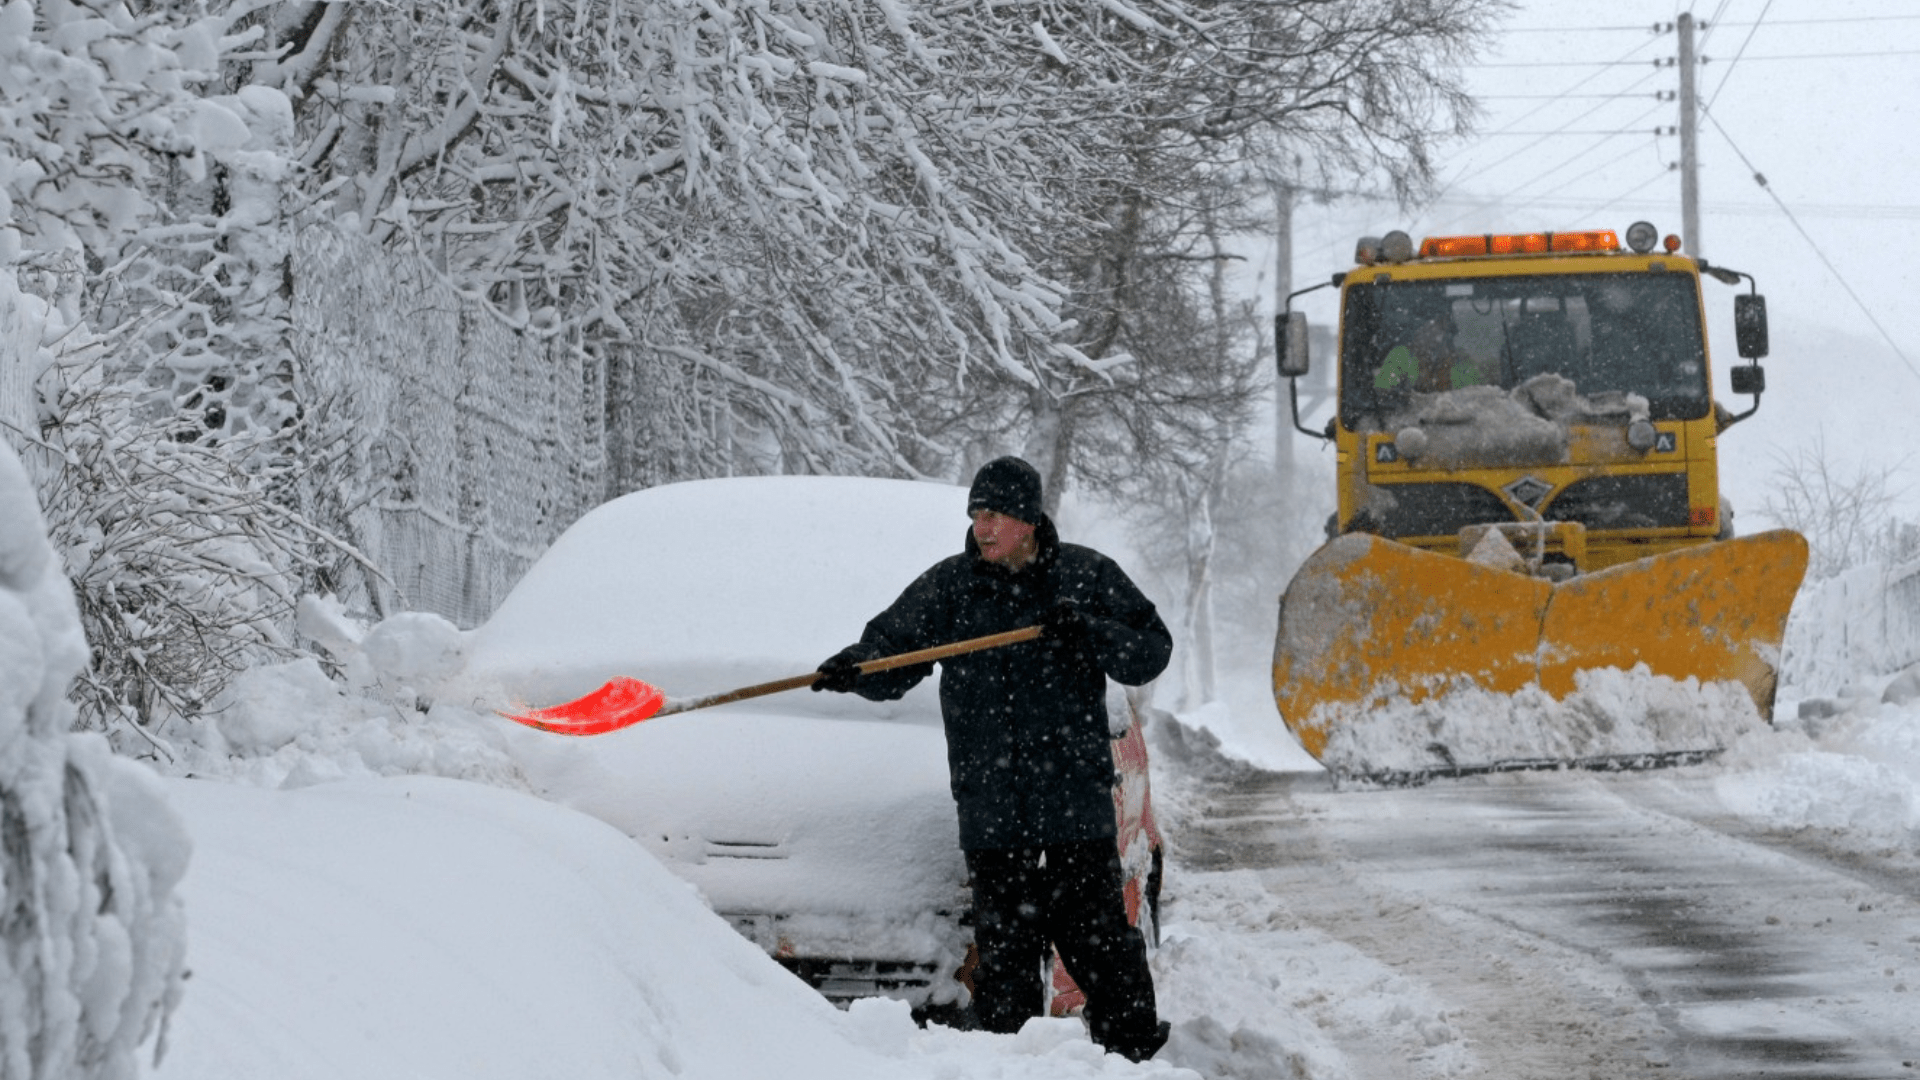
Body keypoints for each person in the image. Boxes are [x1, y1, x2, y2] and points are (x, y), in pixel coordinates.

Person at [811, 456, 1173, 1063]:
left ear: (1028, 520)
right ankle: (1008, 1067)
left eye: (996, 515)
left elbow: (1149, 649)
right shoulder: (952, 587)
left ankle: (1132, 1062)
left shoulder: (1084, 576)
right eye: (977, 514)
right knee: (1002, 961)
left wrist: (1088, 630)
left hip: (1072, 805)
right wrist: (855, 667)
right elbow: (892, 653)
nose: (983, 527)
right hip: (992, 809)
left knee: (1101, 947)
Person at [1375, 308, 1486, 393]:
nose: (1435, 335)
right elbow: (1382, 397)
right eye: (1428, 327)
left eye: (1441, 329)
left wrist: (1445, 376)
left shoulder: (1464, 365)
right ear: (1417, 332)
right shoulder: (1400, 357)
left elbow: (1482, 404)